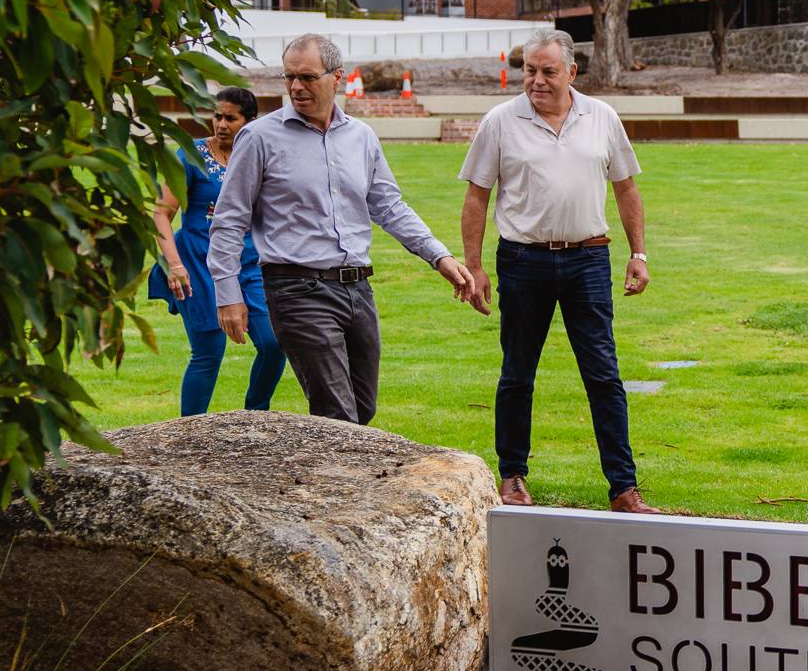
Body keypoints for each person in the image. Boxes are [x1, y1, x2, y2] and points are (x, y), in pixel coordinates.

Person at [209, 33, 474, 426]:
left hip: (357, 290)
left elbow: (389, 206)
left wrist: (439, 256)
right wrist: (228, 294)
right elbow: (229, 219)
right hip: (296, 289)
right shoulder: (259, 137)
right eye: (289, 77)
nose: (296, 87)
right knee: (338, 417)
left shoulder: (361, 136)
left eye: (307, 77)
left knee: (362, 410)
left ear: (338, 77)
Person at [458, 28, 661, 513]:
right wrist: (475, 266)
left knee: (604, 376)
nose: (537, 80)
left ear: (571, 71)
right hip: (522, 261)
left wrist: (639, 253)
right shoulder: (500, 121)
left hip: (587, 260)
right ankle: (512, 477)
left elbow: (627, 189)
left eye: (548, 71)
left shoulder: (602, 117)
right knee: (517, 374)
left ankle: (623, 489)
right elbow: (477, 196)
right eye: (530, 70)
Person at [148, 87, 287, 415]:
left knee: (274, 343)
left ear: (249, 122)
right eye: (217, 116)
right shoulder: (190, 155)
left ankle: (255, 417)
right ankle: (189, 431)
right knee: (208, 352)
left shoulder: (261, 156)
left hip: (248, 263)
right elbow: (160, 214)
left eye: (231, 118)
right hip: (196, 263)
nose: (221, 124)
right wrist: (174, 266)